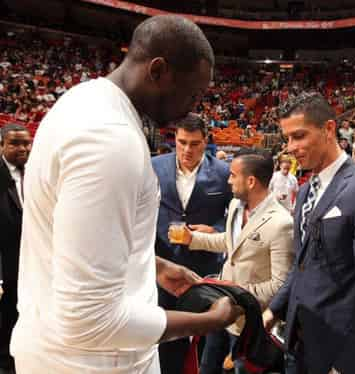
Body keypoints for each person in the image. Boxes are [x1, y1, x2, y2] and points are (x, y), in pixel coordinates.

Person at [11, 15, 241, 374]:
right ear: (159, 70)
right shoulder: (110, 141)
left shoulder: (84, 100)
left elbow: (76, 244)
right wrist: (210, 320)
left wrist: (152, 265)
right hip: (90, 361)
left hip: (69, 350)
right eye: (193, 93)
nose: (193, 106)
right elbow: (90, 319)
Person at [262, 92, 355, 374]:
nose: (290, 147)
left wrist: (349, 364)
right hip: (297, 338)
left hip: (337, 351)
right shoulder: (304, 191)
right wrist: (274, 309)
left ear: (329, 129)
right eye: (287, 138)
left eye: (299, 136)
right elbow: (302, 264)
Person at [176, 149, 293, 374]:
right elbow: (230, 242)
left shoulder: (281, 223)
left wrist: (236, 298)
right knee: (207, 367)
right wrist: (194, 239)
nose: (228, 181)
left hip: (250, 322)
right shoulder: (234, 206)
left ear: (250, 181)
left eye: (232, 175)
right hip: (221, 314)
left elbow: (279, 285)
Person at [152, 114, 232, 374]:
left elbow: (233, 216)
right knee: (164, 331)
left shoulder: (223, 172)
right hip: (162, 263)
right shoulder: (154, 166)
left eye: (195, 144)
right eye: (182, 142)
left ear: (205, 141)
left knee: (204, 333)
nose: (187, 149)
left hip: (204, 264)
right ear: (174, 138)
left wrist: (215, 229)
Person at [0, 124, 32, 374]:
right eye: (15, 143)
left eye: (26, 143)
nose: (22, 148)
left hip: (31, 264)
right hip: (6, 266)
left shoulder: (34, 173)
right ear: (2, 145)